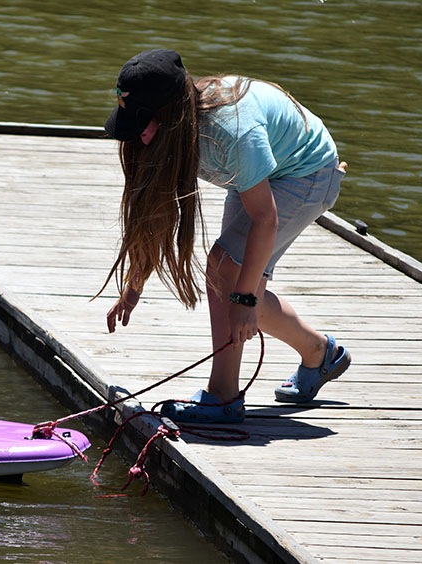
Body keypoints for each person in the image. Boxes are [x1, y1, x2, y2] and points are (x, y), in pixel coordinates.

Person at [100, 49, 351, 424]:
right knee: (232, 280)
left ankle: (223, 397)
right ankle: (320, 353)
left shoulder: (228, 132)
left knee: (227, 273)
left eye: (144, 126)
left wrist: (247, 299)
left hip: (308, 172)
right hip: (258, 171)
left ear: (170, 115)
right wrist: (133, 287)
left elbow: (265, 219)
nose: (140, 138)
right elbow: (156, 213)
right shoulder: (179, 134)